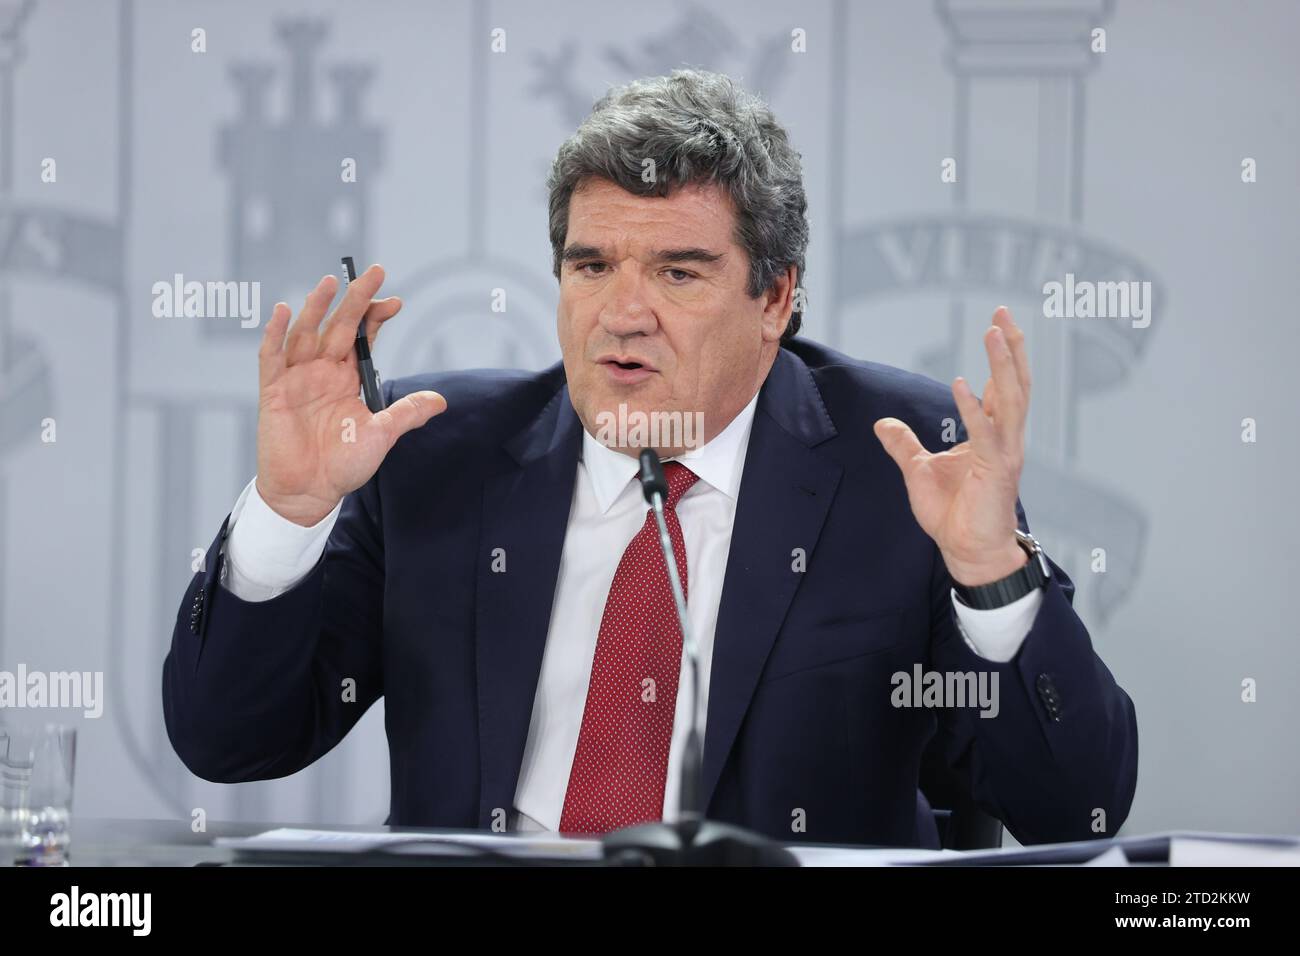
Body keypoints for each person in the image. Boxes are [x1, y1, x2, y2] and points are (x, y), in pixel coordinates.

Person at [163, 69, 1137, 848]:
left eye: (678, 270)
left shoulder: (899, 461)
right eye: (592, 266)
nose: (622, 312)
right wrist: (288, 510)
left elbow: (1076, 807)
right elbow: (229, 739)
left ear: (775, 297)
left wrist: (988, 578)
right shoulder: (436, 455)